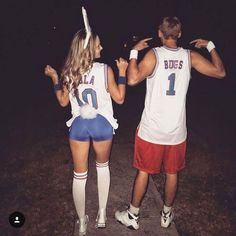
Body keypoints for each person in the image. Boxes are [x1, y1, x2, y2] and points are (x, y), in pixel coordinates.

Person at [115, 16, 225, 230]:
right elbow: (220, 72)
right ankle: (166, 215)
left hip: (151, 130)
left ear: (159, 33)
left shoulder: (153, 55)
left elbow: (132, 79)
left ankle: (132, 215)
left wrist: (134, 52)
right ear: (180, 34)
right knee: (172, 173)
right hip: (176, 131)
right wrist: (210, 46)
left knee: (143, 171)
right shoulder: (189, 56)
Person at [44, 29, 128, 235]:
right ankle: (101, 214)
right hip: (102, 125)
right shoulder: (104, 69)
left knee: (79, 176)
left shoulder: (70, 70)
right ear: (89, 48)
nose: (101, 47)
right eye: (98, 45)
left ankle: (82, 222)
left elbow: (63, 101)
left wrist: (55, 78)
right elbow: (120, 98)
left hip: (79, 126)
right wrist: (123, 72)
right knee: (102, 167)